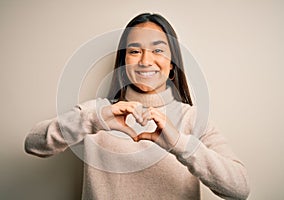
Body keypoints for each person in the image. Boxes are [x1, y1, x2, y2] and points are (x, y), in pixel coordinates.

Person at [24, 13, 250, 199]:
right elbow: (33, 143)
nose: (145, 60)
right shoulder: (99, 112)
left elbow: (239, 189)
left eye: (158, 50)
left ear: (172, 66)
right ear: (123, 64)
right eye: (134, 51)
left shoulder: (193, 120)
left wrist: (180, 145)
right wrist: (94, 119)